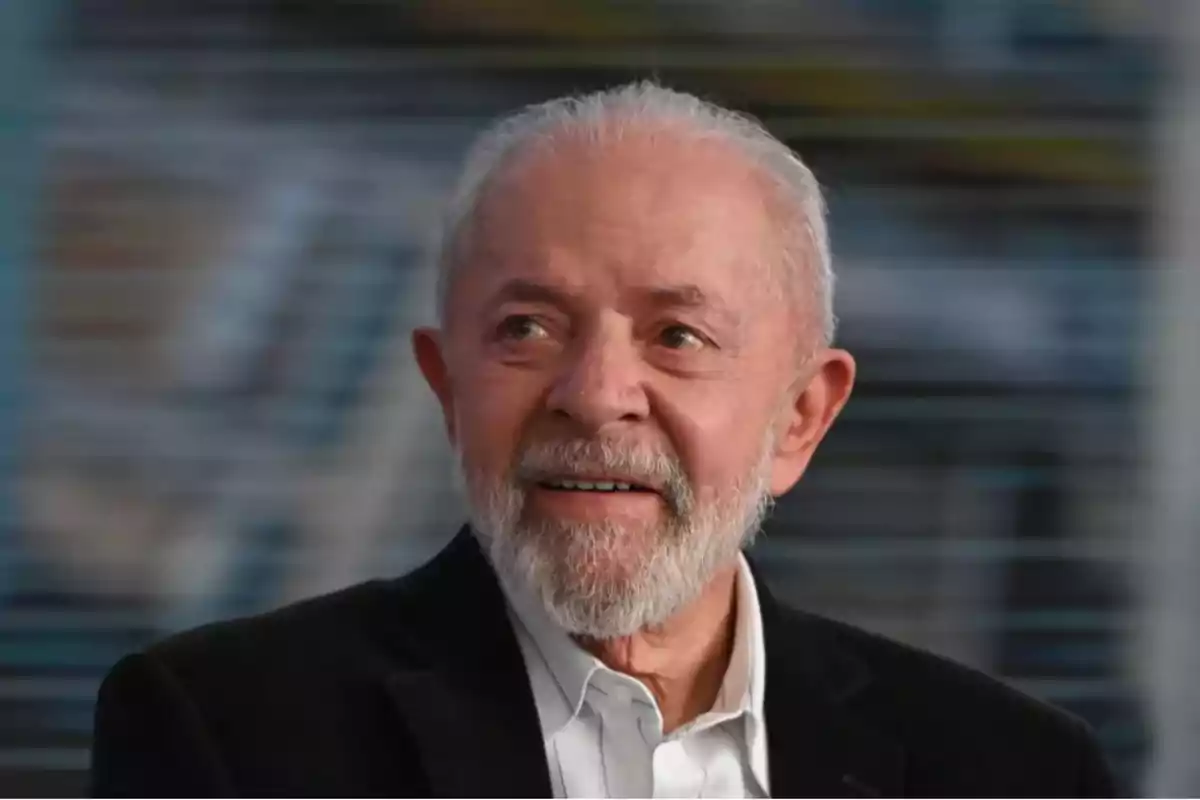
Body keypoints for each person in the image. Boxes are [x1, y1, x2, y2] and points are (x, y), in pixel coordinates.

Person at [90, 82, 1116, 798]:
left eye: (679, 335)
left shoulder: (1016, 770)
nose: (594, 395)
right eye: (527, 328)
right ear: (447, 387)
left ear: (802, 416)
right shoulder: (225, 734)